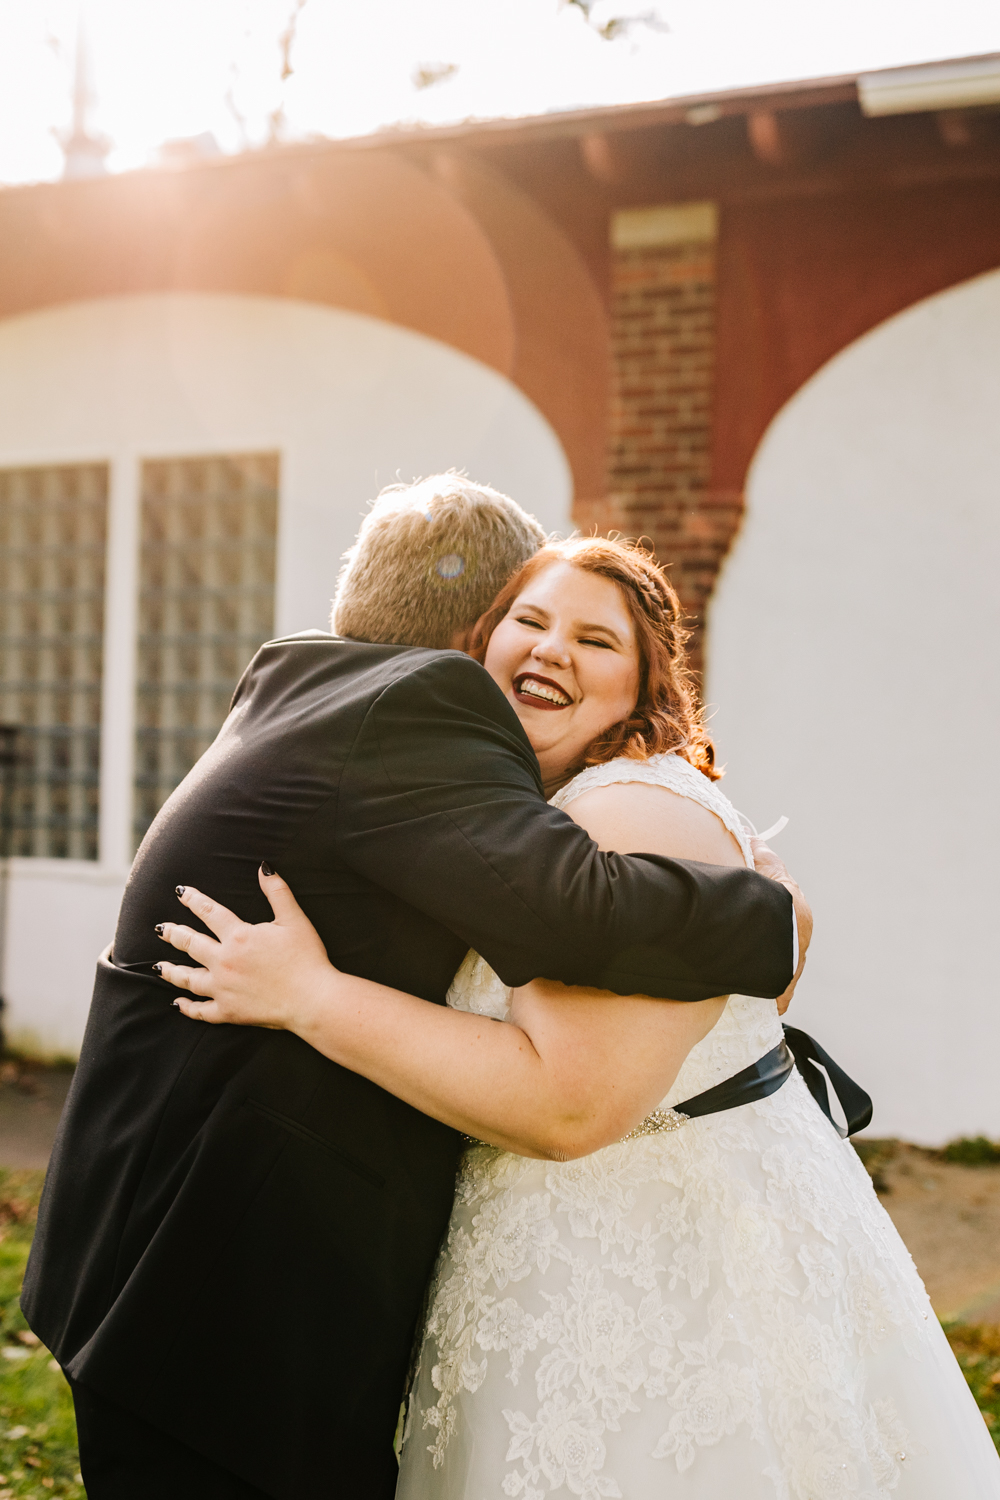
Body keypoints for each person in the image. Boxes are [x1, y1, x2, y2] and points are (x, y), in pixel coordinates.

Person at [160, 537, 1000, 1500]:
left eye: (595, 639)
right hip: (550, 1275)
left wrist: (312, 997)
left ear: (643, 690)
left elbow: (568, 1103)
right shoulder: (522, 819)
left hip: (661, 1292)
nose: (552, 649)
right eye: (530, 620)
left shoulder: (626, 810)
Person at [22, 479, 803, 1500]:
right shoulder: (417, 706)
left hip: (162, 1256)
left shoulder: (306, 685)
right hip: (225, 1302)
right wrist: (773, 916)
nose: (543, 650)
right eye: (524, 617)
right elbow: (567, 909)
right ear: (476, 627)